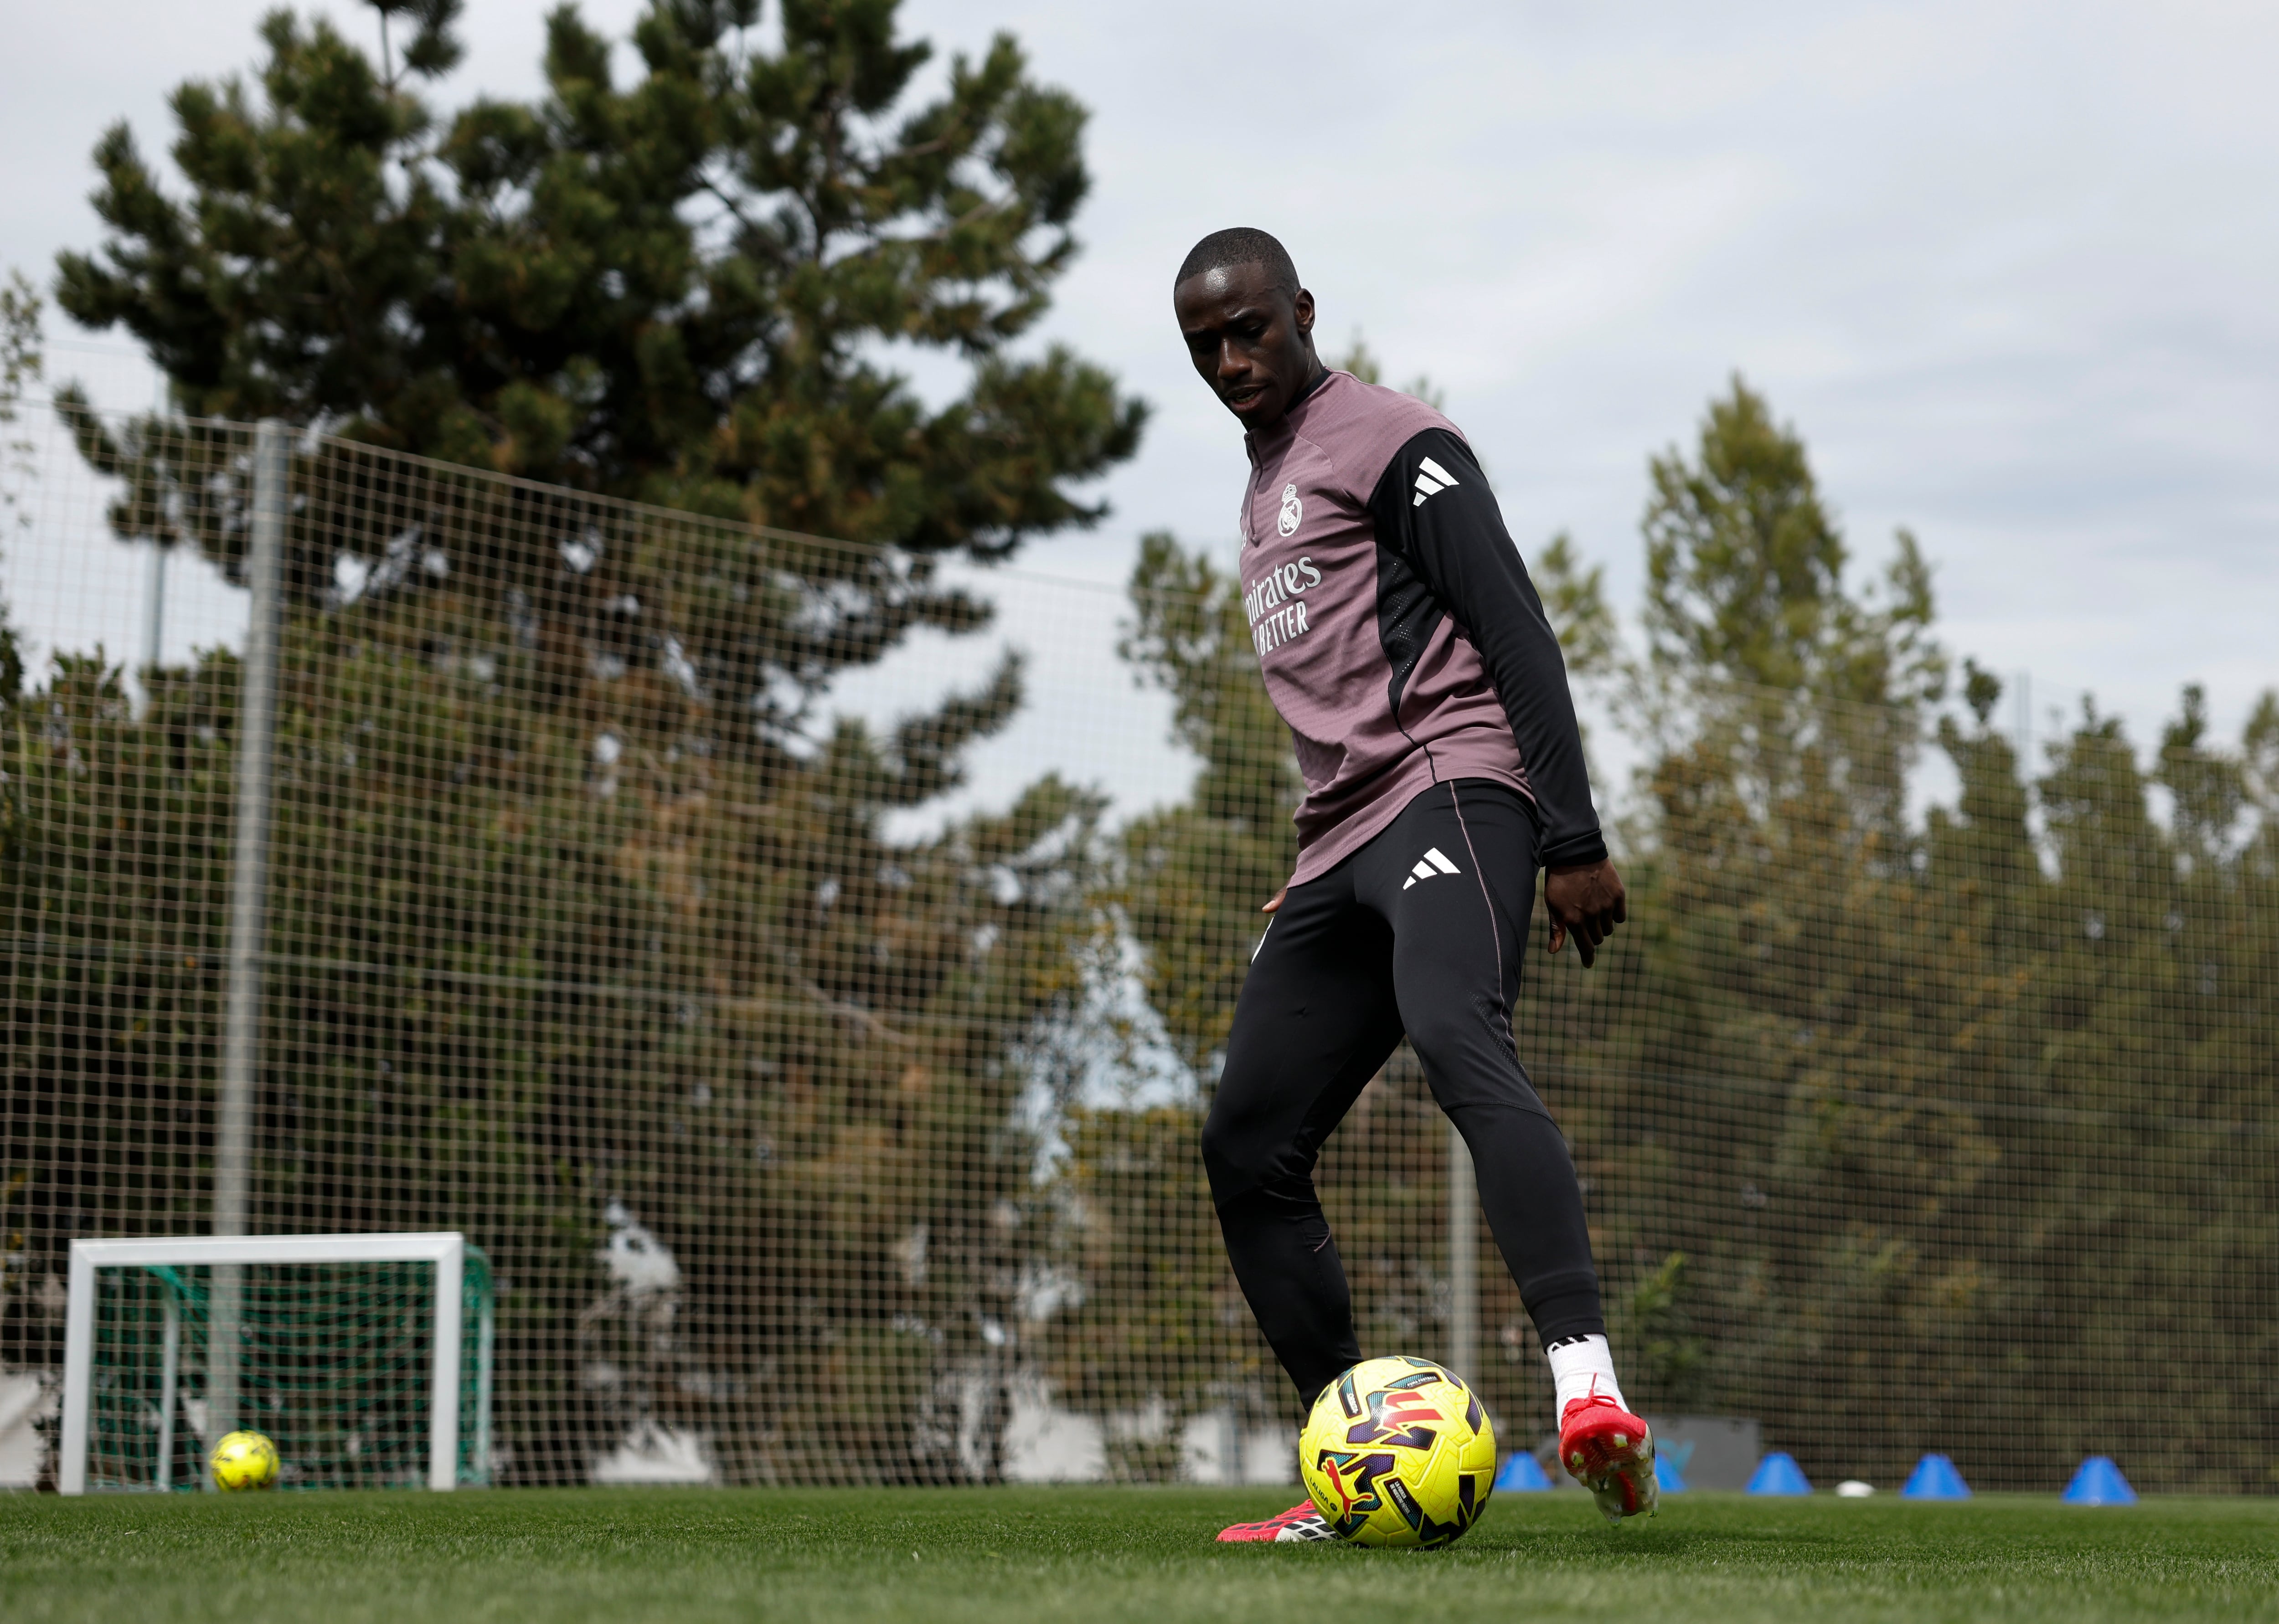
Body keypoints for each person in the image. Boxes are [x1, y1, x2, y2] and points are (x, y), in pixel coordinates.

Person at [1170, 228, 1655, 1542]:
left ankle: (1589, 1393)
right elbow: (1338, 704)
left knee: (1454, 1030)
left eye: (1250, 330)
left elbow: (1511, 622)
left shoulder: (1393, 438)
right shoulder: (1261, 487)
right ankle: (1362, 1466)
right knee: (1246, 1142)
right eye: (1205, 345)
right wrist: (1313, 864)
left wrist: (1572, 835)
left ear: (1302, 313)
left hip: (1459, 784)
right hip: (1341, 837)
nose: (1230, 360)